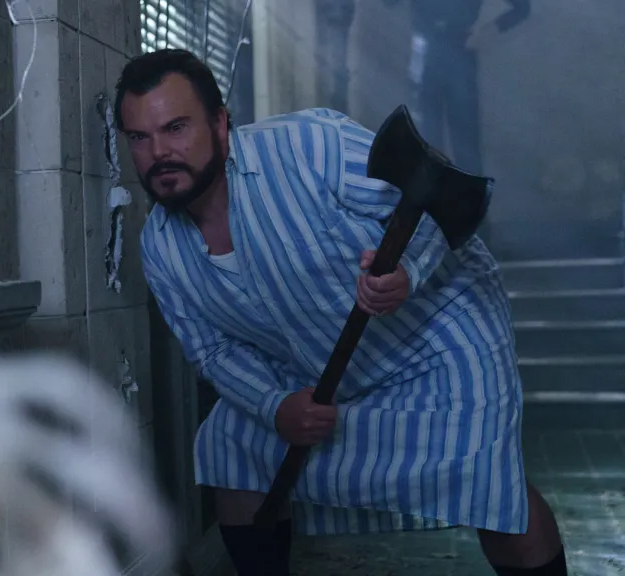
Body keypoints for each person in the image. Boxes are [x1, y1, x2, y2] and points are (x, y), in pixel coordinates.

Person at [115, 48, 565, 576]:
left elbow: (429, 196)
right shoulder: (160, 249)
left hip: (437, 338)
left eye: (175, 128)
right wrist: (275, 406)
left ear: (219, 123)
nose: (159, 153)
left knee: (493, 493)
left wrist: (407, 272)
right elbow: (212, 351)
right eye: (139, 138)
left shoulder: (309, 145)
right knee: (230, 448)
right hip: (317, 365)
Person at [384, 0, 532, 175]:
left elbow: (522, 7)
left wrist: (488, 31)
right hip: (426, 49)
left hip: (459, 49)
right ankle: (428, 188)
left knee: (465, 145)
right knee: (425, 138)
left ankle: (465, 190)